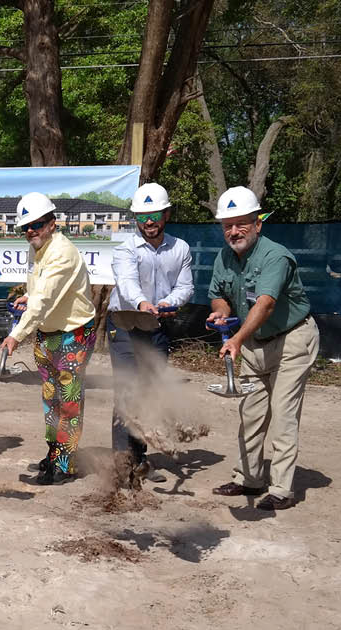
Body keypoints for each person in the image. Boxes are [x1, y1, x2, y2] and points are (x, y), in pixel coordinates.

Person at [208, 186, 319, 511]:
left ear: (258, 223)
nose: (233, 231)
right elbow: (219, 294)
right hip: (255, 343)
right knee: (251, 415)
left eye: (241, 223)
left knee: (283, 415)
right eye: (227, 224)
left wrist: (236, 339)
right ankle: (249, 478)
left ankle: (282, 490)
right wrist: (221, 312)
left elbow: (267, 304)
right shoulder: (225, 256)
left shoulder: (276, 256)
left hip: (291, 340)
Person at [0, 192, 97, 485]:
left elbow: (43, 301)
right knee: (50, 398)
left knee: (68, 401)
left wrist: (16, 335)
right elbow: (40, 292)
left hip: (73, 334)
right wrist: (27, 297)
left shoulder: (62, 253)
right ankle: (54, 452)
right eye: (26, 227)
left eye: (38, 224)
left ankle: (65, 466)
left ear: (52, 223)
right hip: (47, 335)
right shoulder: (37, 249)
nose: (31, 231)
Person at [107, 182, 193, 483]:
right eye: (142, 217)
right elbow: (127, 282)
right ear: (136, 219)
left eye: (154, 214)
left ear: (166, 214)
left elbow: (185, 286)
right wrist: (143, 302)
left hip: (157, 325)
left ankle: (140, 459)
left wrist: (170, 302)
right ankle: (122, 464)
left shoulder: (180, 249)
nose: (149, 222)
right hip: (125, 323)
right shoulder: (125, 249)